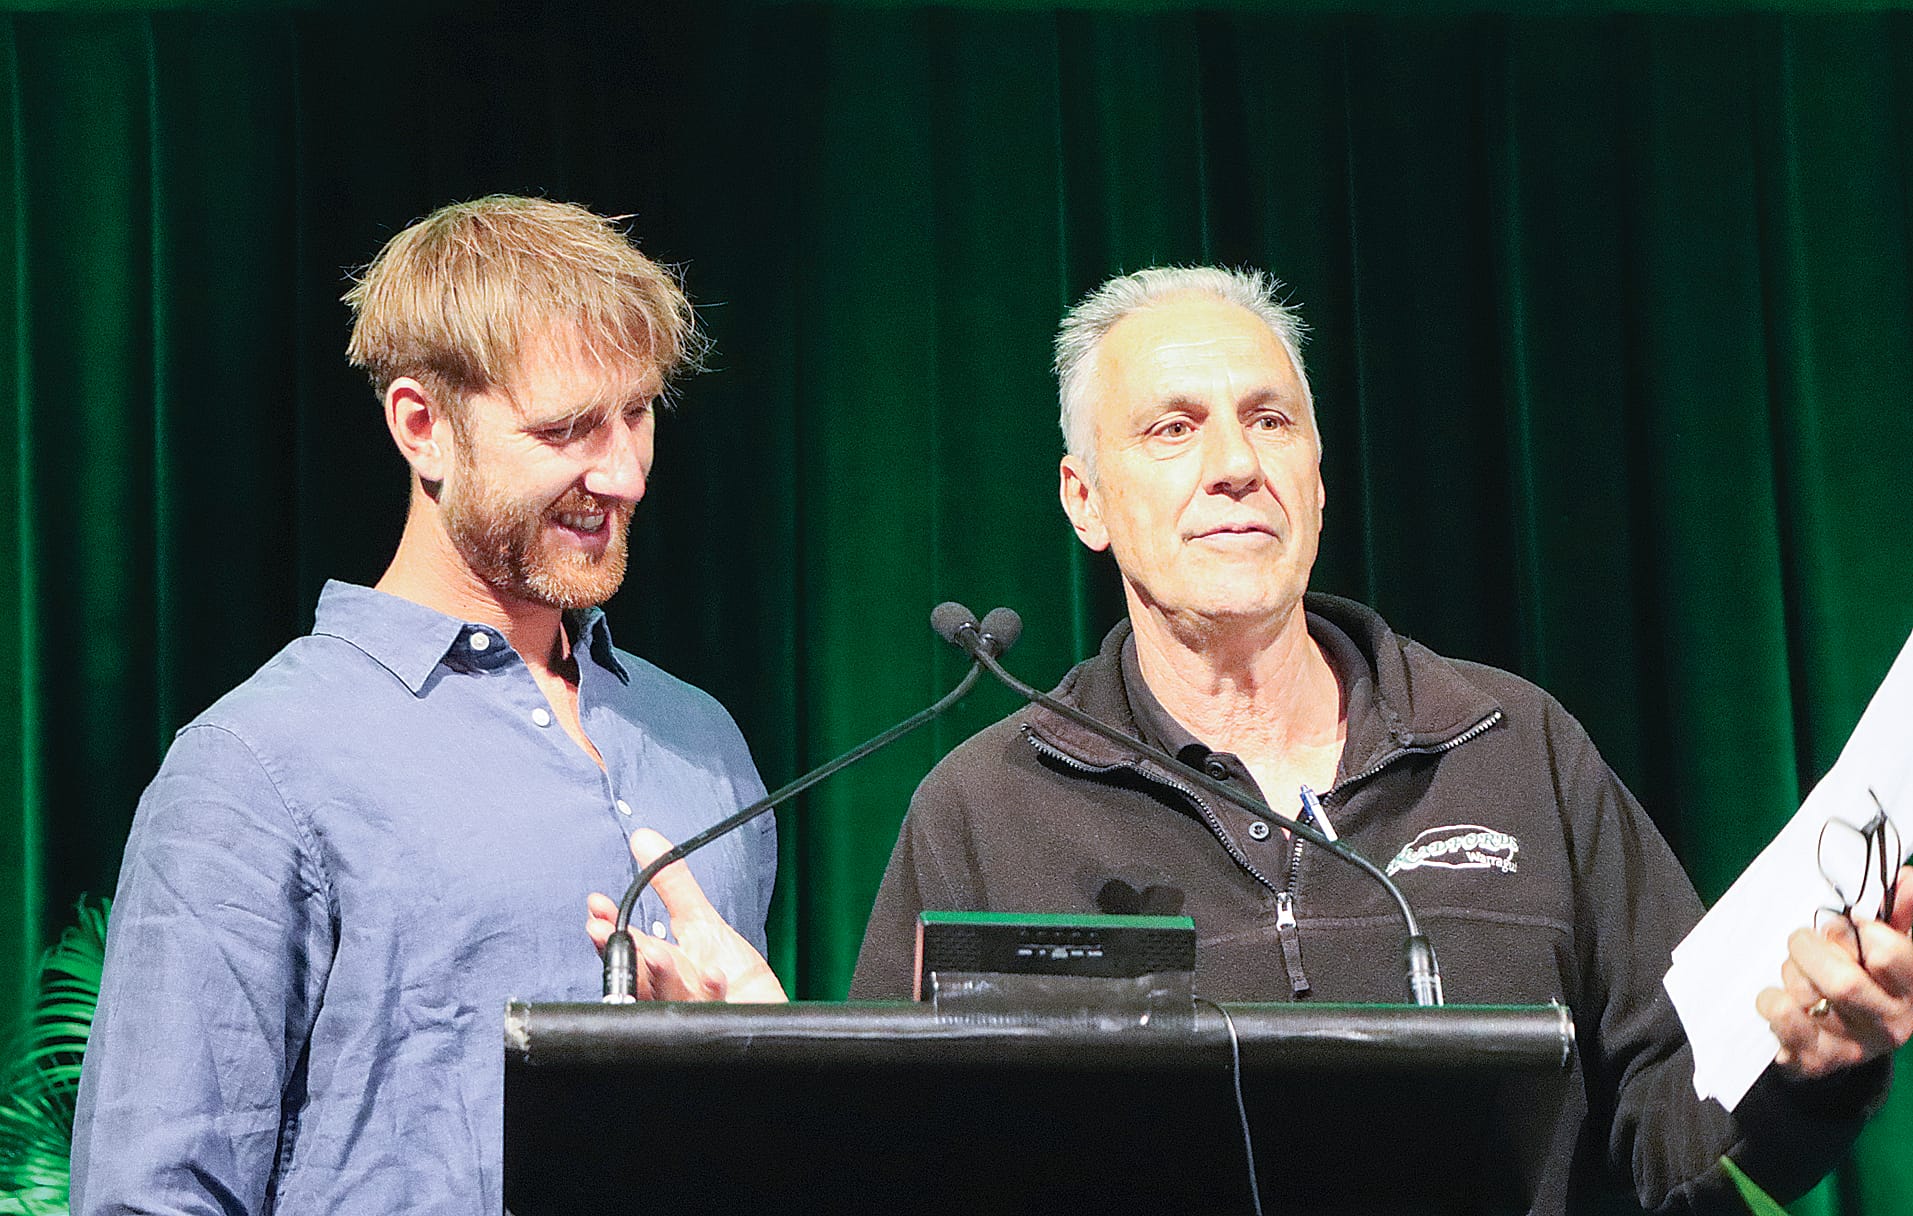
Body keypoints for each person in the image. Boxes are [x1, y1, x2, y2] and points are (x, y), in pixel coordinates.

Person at [847, 267, 1913, 1211]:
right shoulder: (988, 805)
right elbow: (893, 1166)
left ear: (1315, 475)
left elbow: (1670, 1147)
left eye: (1269, 421)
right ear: (1084, 498)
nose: (1232, 464)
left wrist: (1803, 1073)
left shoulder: (1512, 745)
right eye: (1171, 428)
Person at [70, 196, 782, 1216]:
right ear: (422, 426)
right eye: (567, 426)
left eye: (637, 412)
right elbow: (151, 1194)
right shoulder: (258, 761)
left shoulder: (699, 740)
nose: (621, 472)